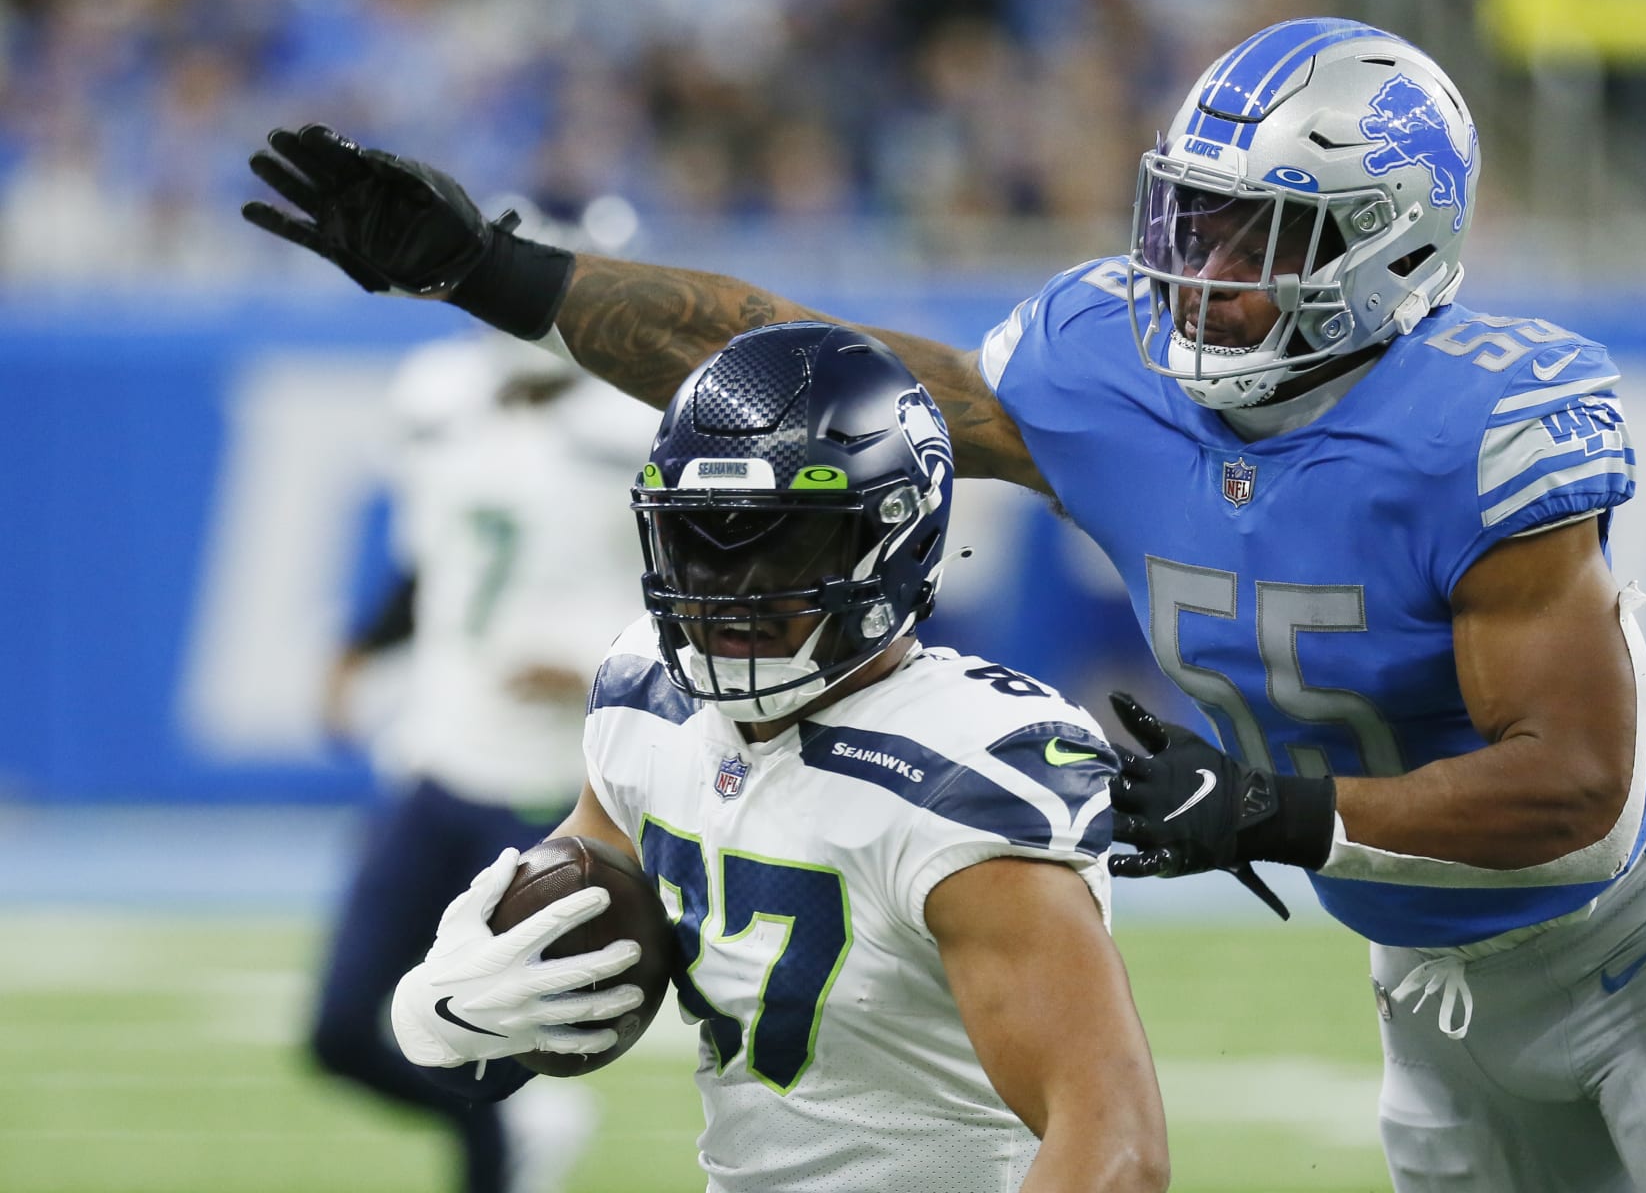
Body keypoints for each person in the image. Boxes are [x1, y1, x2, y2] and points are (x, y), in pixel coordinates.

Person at [244, 15, 1646, 1190]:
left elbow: (1580, 789)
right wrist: (492, 272)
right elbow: (808, 359)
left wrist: (1275, 809)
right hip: (1426, 978)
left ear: (1390, 249)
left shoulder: (1478, 432)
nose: (1202, 271)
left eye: (1258, 240)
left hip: (1642, 944)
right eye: (1195, 219)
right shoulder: (1107, 367)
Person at [381, 321, 1171, 1193]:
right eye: (699, 537)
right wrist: (459, 1008)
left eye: (780, 541)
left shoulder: (961, 774)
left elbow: (1116, 1154)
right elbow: (590, 911)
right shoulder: (645, 694)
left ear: (894, 540)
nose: (729, 587)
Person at [310, 330, 658, 1193]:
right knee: (341, 1035)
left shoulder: (627, 438)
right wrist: (358, 652)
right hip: (437, 762)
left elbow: (681, 609)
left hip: (540, 790)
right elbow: (436, 570)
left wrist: (592, 670)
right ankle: (519, 1123)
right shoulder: (455, 420)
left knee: (495, 1049)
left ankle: (506, 1146)